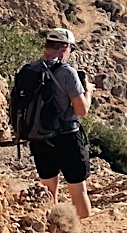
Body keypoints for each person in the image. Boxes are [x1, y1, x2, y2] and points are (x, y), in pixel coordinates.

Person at [10, 27, 95, 220]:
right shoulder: (67, 72)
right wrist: (88, 91)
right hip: (67, 137)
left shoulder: (29, 70)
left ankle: (51, 228)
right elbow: (82, 110)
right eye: (71, 48)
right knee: (77, 189)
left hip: (38, 136)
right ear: (65, 48)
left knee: (48, 189)